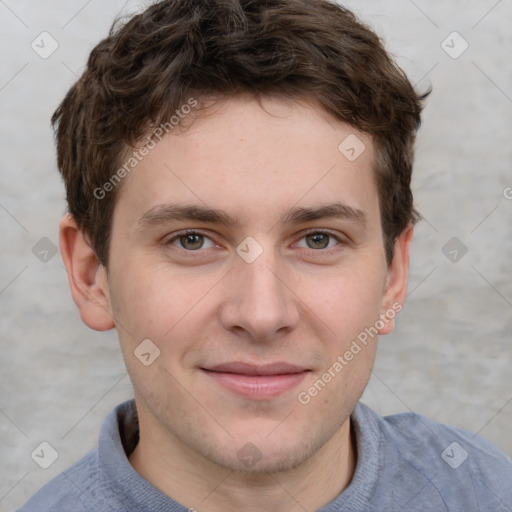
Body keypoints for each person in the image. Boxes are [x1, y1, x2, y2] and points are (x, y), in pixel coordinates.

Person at [17, 0, 512, 510]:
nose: (261, 314)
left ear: (393, 274)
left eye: (319, 239)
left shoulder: (486, 490)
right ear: (91, 275)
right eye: (192, 240)